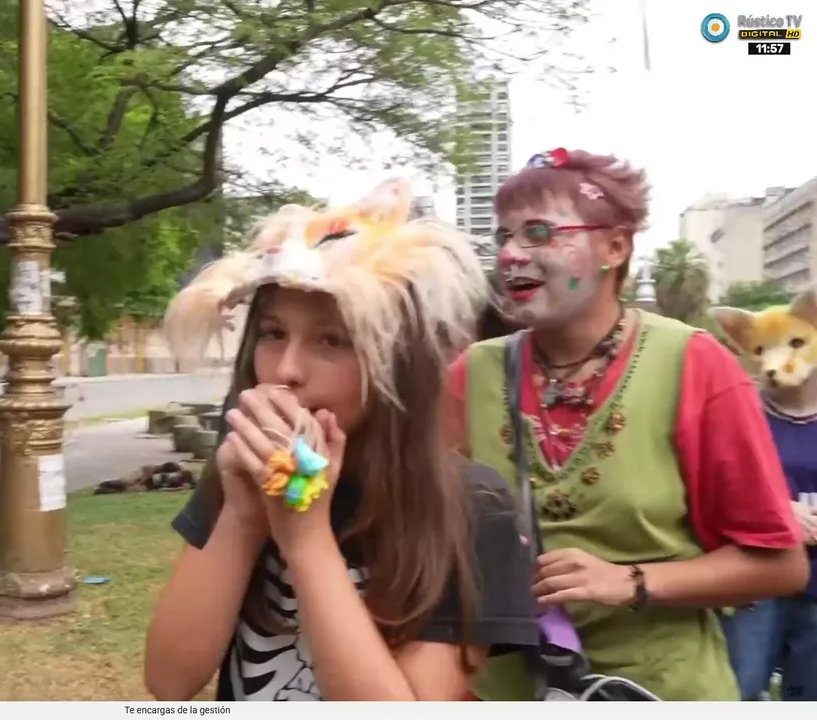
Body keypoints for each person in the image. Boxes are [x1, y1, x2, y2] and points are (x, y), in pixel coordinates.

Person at [145, 180, 540, 702]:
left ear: (396, 364)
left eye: (331, 340)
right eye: (273, 333)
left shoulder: (473, 509)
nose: (286, 370)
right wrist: (242, 516)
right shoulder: (242, 472)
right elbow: (169, 683)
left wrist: (305, 536)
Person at [448, 147, 810, 701]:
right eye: (504, 237)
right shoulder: (471, 373)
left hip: (660, 691)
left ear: (614, 247)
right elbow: (423, 530)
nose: (511, 255)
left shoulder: (694, 364)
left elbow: (780, 567)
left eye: (539, 233)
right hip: (508, 692)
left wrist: (630, 581)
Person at [711, 289, 817, 701]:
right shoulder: (739, 411)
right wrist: (779, 511)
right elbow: (715, 488)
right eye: (761, 349)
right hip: (756, 582)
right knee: (740, 687)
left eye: (795, 342)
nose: (777, 360)